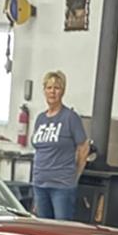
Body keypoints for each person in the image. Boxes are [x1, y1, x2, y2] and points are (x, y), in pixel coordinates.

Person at [30, 70, 88, 220]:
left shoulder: (70, 118)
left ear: (63, 91)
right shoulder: (40, 119)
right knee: (43, 230)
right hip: (40, 184)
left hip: (61, 186)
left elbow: (83, 148)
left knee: (61, 229)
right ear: (44, 91)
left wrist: (76, 176)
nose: (52, 92)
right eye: (49, 88)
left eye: (57, 88)